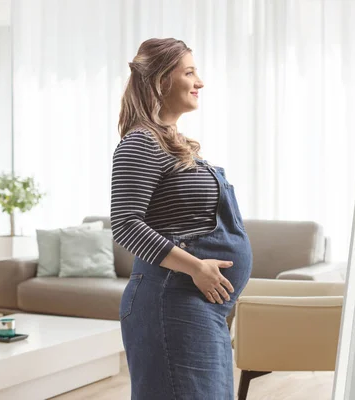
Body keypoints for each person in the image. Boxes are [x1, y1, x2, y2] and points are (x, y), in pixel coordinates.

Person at [110, 38, 253, 400]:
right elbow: (125, 223)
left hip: (200, 307)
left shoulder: (174, 142)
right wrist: (195, 268)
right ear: (160, 81)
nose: (199, 82)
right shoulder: (140, 142)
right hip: (171, 302)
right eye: (190, 72)